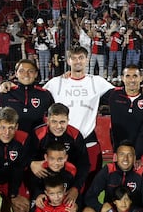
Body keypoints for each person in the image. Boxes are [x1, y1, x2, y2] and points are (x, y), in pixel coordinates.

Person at [44, 45, 113, 181]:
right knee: (60, 186)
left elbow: (121, 95)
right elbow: (36, 97)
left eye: (81, 58)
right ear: (68, 61)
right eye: (73, 58)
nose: (77, 61)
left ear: (87, 60)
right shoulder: (56, 83)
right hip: (62, 145)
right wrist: (12, 86)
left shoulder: (97, 82)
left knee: (90, 185)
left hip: (88, 142)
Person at [105, 64, 143, 165]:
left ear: (141, 78)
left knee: (142, 180)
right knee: (119, 180)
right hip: (120, 151)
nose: (131, 80)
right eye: (128, 76)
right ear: (122, 78)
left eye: (135, 76)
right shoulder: (113, 95)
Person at [0, 58, 55, 134]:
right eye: (22, 71)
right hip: (12, 140)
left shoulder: (45, 95)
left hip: (37, 141)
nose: (26, 74)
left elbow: (54, 118)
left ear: (36, 74)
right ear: (16, 74)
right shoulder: (6, 92)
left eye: (30, 71)